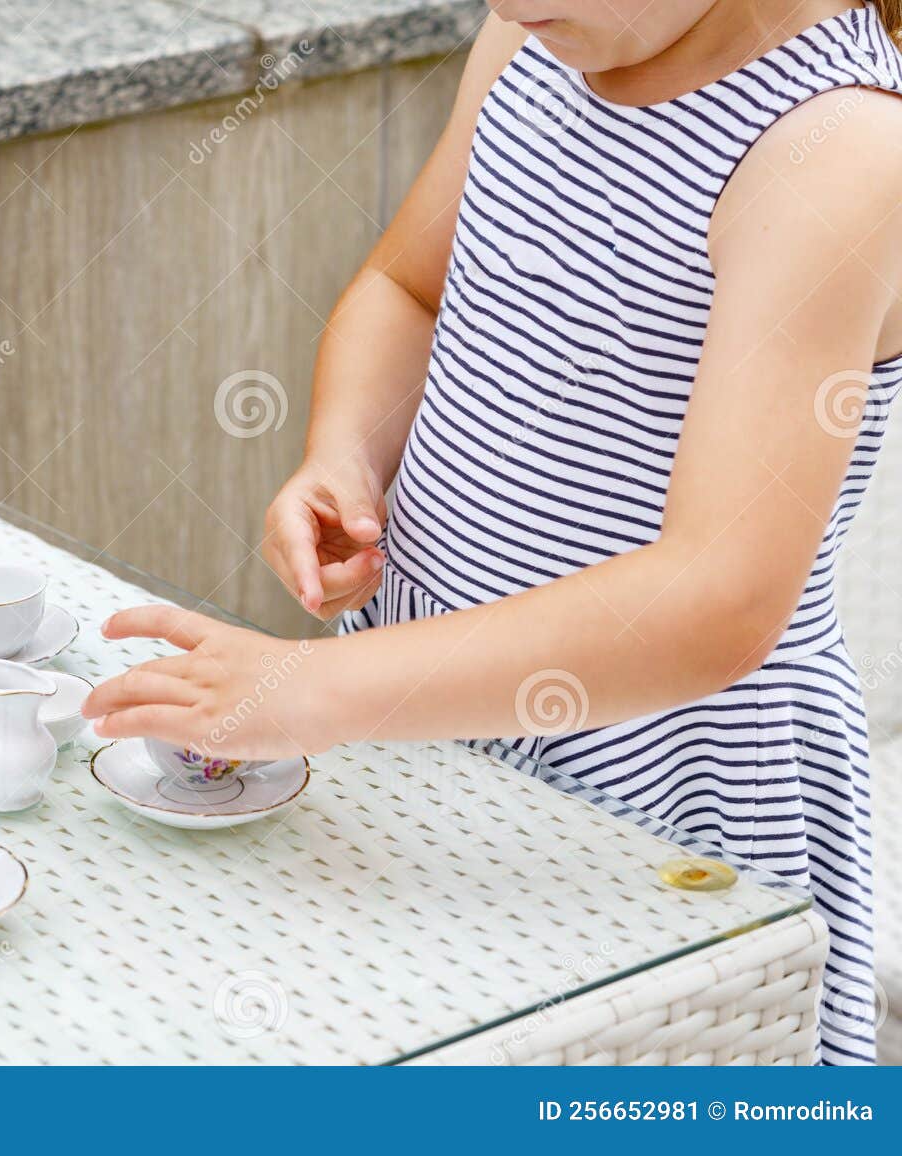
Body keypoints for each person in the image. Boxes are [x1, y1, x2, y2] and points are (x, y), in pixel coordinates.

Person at [85, 0, 902, 1063]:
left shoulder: (836, 154)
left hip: (653, 782)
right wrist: (346, 452)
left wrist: (317, 688)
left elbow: (718, 596)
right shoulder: (533, 37)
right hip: (431, 715)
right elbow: (407, 288)